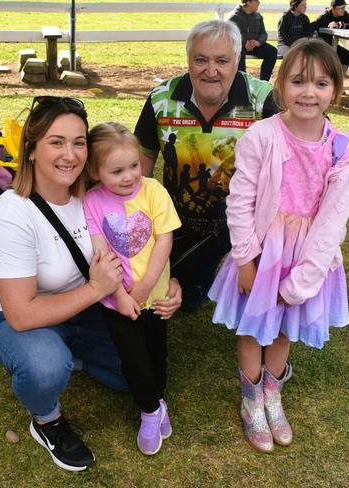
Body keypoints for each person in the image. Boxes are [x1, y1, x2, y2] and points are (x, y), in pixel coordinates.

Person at [0, 97, 182, 472]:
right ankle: (47, 419)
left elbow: (143, 242)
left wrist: (171, 282)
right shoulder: (12, 213)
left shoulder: (94, 193)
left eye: (78, 142)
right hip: (18, 319)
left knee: (137, 378)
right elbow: (21, 315)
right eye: (56, 142)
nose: (69, 154)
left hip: (85, 311)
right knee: (45, 367)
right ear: (31, 148)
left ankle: (74, 355)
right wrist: (95, 290)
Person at [208, 38, 349, 452]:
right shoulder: (261, 136)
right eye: (298, 82)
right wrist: (245, 259)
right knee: (251, 326)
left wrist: (302, 282)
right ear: (280, 87)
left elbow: (333, 221)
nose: (308, 93)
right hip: (262, 251)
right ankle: (250, 399)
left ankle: (272, 396)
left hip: (306, 256)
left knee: (281, 331)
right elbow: (240, 201)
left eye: (320, 83)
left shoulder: (346, 150)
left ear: (336, 89)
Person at [134, 19, 275, 312]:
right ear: (188, 60)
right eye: (201, 60)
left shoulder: (264, 100)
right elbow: (142, 159)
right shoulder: (161, 99)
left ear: (237, 60)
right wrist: (140, 222)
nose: (211, 71)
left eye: (222, 61)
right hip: (182, 222)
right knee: (183, 301)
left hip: (248, 225)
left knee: (255, 298)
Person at [82, 122, 181, 456]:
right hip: (116, 303)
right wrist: (121, 296)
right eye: (117, 171)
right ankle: (150, 411)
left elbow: (164, 239)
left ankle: (158, 397)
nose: (128, 177)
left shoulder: (154, 191)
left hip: (155, 297)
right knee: (133, 358)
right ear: (94, 171)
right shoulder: (92, 202)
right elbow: (100, 251)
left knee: (157, 352)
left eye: (134, 166)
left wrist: (147, 285)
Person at [228, 0, 278, 81]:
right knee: (239, 53)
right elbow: (230, 34)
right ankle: (242, 83)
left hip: (255, 45)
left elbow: (263, 33)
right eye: (257, 1)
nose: (259, 3)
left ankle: (264, 83)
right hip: (239, 46)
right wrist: (244, 43)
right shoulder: (234, 16)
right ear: (248, 2)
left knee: (272, 51)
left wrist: (258, 42)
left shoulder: (258, 16)